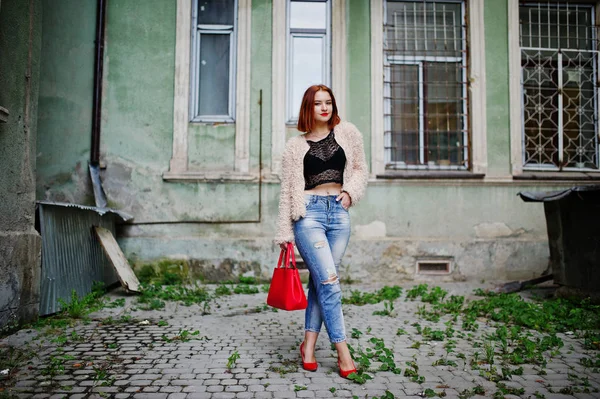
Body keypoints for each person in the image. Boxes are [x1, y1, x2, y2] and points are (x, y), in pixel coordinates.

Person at [274, 84, 368, 378]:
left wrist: (351, 193)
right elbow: (288, 191)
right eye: (318, 103)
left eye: (328, 102)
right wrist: (284, 233)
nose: (325, 107)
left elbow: (361, 169)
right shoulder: (294, 147)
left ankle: (308, 346)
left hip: (339, 215)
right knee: (329, 283)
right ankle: (343, 352)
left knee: (321, 281)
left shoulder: (348, 133)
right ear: (308, 108)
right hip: (309, 215)